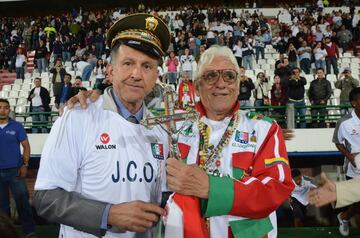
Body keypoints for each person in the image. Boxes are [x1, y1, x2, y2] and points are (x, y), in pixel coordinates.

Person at [33, 13, 170, 238]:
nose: (137, 74)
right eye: (128, 63)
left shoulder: (161, 131)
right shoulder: (78, 117)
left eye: (147, 66)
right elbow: (46, 198)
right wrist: (108, 215)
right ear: (110, 70)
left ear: (156, 75)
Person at [165, 45, 294, 238]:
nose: (221, 83)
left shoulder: (264, 129)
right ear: (197, 87)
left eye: (229, 76)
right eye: (210, 76)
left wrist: (212, 189)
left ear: (237, 83)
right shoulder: (174, 127)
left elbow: (276, 189)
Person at [0, 99, 36, 238]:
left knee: (22, 202)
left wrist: (25, 165)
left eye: (6, 108)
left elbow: (26, 146)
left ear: (9, 110)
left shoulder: (17, 126)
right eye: (0, 107)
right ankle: (7, 232)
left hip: (15, 172)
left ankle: (29, 231)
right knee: (2, 206)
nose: (2, 110)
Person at [331, 87, 360, 236]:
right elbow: (337, 141)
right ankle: (344, 217)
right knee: (358, 204)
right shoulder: (344, 122)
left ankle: (343, 217)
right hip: (354, 168)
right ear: (354, 103)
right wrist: (350, 157)